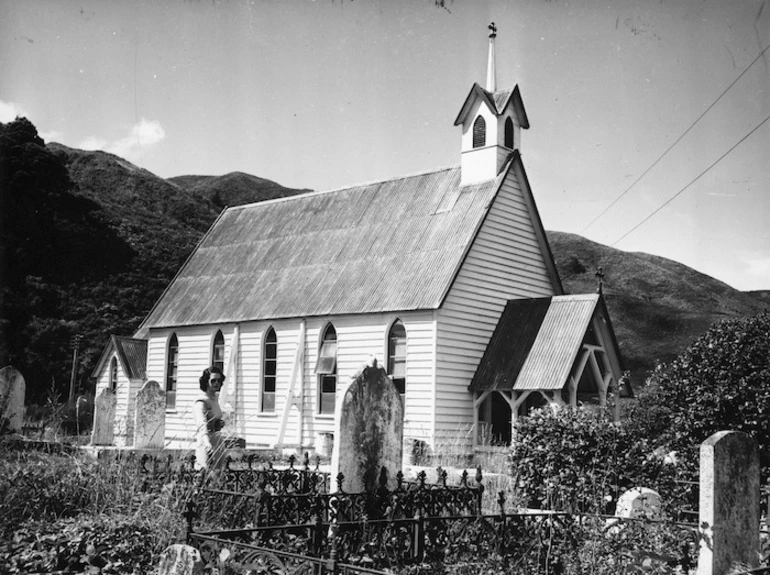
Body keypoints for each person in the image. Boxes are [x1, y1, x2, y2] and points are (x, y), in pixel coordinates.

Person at [193, 366, 225, 470]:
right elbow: (201, 424)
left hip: (217, 441)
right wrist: (207, 443)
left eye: (219, 381)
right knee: (205, 475)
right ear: (206, 382)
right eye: (213, 380)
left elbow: (213, 419)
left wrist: (219, 423)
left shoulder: (214, 399)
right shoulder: (201, 401)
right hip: (206, 443)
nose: (217, 383)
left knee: (218, 477)